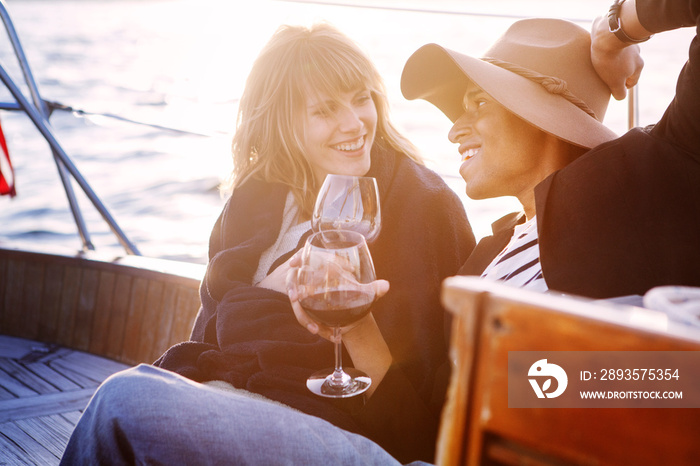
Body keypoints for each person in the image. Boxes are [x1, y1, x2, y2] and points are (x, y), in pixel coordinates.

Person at [60, 23, 475, 464]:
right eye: (325, 110)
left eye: (361, 99)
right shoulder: (256, 199)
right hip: (239, 394)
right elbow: (207, 335)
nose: (354, 124)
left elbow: (436, 410)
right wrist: (269, 290)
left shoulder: (425, 207)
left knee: (122, 401)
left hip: (337, 422)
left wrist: (353, 325)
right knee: (138, 396)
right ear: (284, 120)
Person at [401, 0, 700, 300]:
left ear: (539, 115)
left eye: (479, 103)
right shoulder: (483, 260)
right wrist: (357, 323)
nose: (454, 131)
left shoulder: (642, 183)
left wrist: (615, 32)